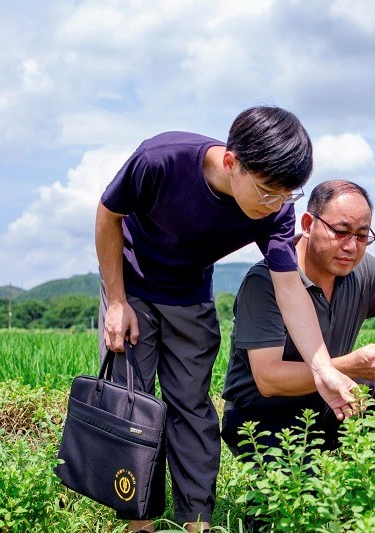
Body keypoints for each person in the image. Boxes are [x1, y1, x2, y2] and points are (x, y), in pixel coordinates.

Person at [95, 107, 359, 533]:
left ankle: (196, 522)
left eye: (287, 195)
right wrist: (117, 300)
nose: (275, 204)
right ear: (233, 162)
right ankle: (137, 521)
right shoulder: (162, 158)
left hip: (191, 295)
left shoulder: (275, 211)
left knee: (192, 407)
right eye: (269, 191)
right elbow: (108, 214)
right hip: (132, 284)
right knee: (134, 403)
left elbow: (289, 289)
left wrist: (322, 366)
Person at [222, 180, 375, 457]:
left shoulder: (360, 269)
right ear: (308, 224)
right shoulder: (265, 282)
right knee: (301, 498)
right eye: (341, 231)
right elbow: (268, 379)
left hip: (325, 403)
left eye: (362, 236)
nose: (351, 247)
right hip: (262, 417)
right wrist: (351, 366)